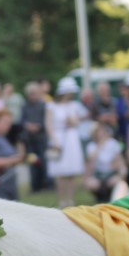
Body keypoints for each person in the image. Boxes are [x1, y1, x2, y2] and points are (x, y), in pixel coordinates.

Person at [47, 76, 88, 208]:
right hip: (58, 137)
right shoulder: (51, 105)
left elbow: (79, 120)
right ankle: (61, 200)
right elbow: (49, 124)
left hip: (71, 138)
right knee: (60, 171)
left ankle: (70, 199)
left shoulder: (74, 105)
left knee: (71, 171)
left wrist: (73, 121)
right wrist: (54, 140)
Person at [81, 122, 124, 203]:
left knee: (116, 181)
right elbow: (90, 160)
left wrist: (120, 172)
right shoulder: (91, 146)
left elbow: (119, 160)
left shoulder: (113, 143)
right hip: (98, 174)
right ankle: (99, 198)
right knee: (91, 183)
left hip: (111, 172)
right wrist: (100, 144)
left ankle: (111, 197)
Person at [20, 81, 51, 191]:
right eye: (30, 93)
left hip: (41, 137)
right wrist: (28, 125)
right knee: (32, 161)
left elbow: (47, 120)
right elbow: (22, 120)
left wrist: (38, 126)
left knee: (44, 161)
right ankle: (35, 185)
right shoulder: (25, 106)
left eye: (34, 93)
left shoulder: (43, 105)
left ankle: (46, 183)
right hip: (30, 138)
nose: (32, 95)